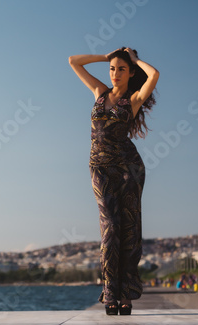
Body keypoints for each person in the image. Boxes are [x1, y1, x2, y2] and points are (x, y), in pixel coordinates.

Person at [69, 47, 159, 315]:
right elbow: (74, 61)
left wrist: (135, 60)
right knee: (110, 228)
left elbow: (154, 75)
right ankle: (110, 293)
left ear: (131, 72)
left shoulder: (133, 99)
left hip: (128, 169)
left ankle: (126, 295)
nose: (115, 74)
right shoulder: (99, 92)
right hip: (99, 167)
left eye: (121, 69)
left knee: (128, 230)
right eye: (112, 69)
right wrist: (106, 57)